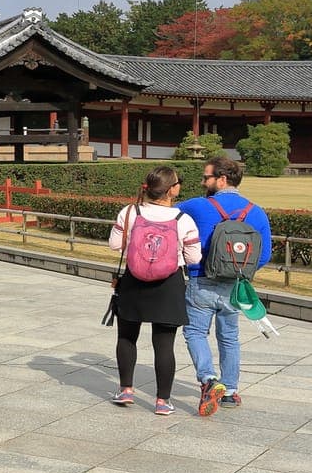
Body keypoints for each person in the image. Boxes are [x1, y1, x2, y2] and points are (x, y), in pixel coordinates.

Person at [179, 155, 273, 414]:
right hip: (235, 285)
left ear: (221, 180)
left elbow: (167, 213)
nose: (202, 181)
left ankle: (208, 379)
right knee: (229, 337)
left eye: (206, 177)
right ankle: (230, 390)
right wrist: (240, 272)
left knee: (195, 332)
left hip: (202, 280)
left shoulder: (197, 205)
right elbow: (264, 255)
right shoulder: (256, 212)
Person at [108, 166, 202, 415]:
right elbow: (193, 258)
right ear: (173, 189)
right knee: (164, 344)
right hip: (168, 284)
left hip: (133, 280)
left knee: (127, 337)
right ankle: (163, 401)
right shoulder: (183, 220)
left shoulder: (129, 212)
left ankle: (126, 389)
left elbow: (114, 244)